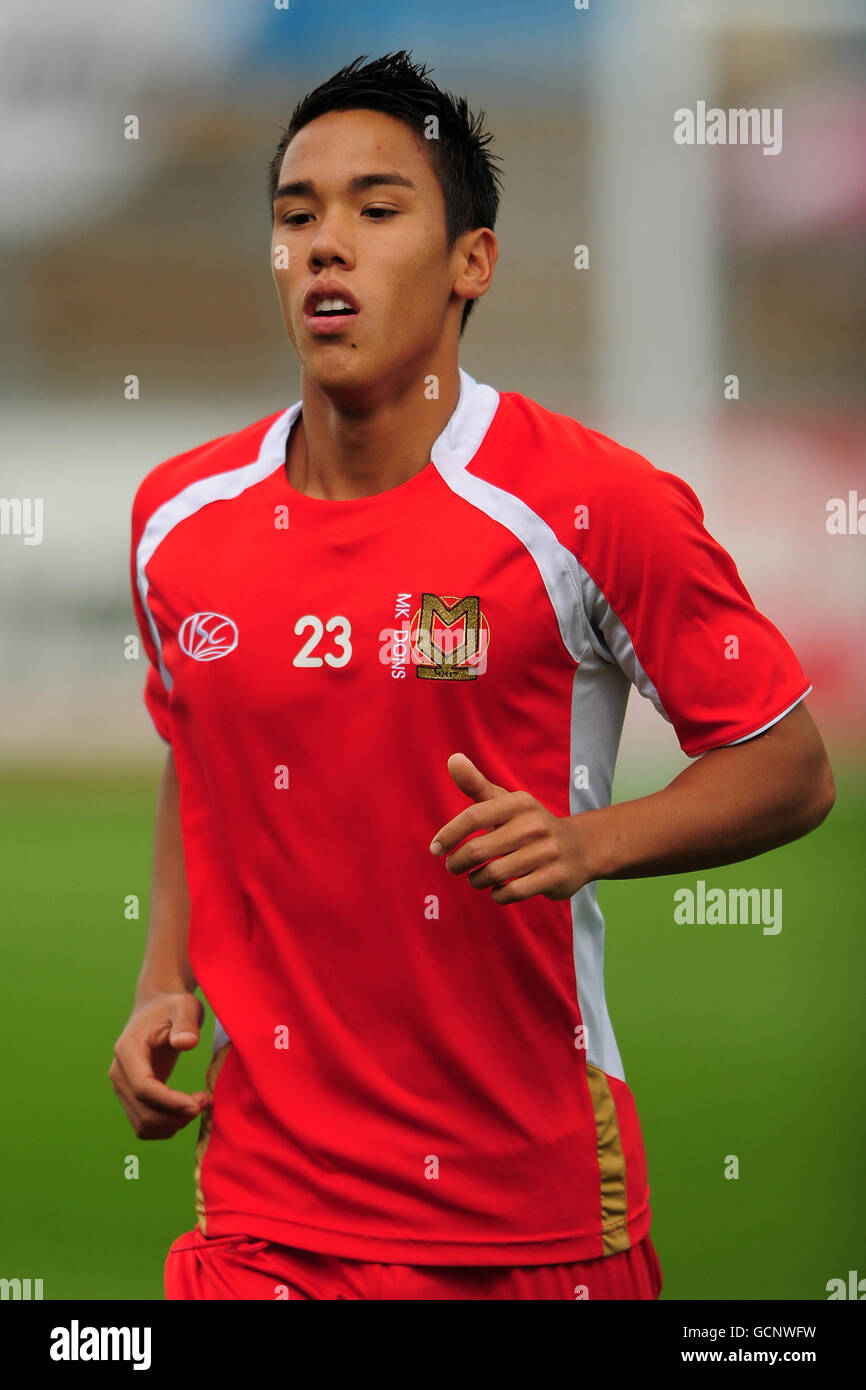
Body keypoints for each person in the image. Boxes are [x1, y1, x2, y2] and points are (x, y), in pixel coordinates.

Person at [110, 51, 835, 1301]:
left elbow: (790, 764)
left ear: (470, 263)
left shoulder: (590, 506)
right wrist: (162, 979)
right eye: (297, 216)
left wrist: (587, 841)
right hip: (262, 1220)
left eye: (376, 210)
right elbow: (200, 753)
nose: (326, 244)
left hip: (526, 1220)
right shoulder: (180, 518)